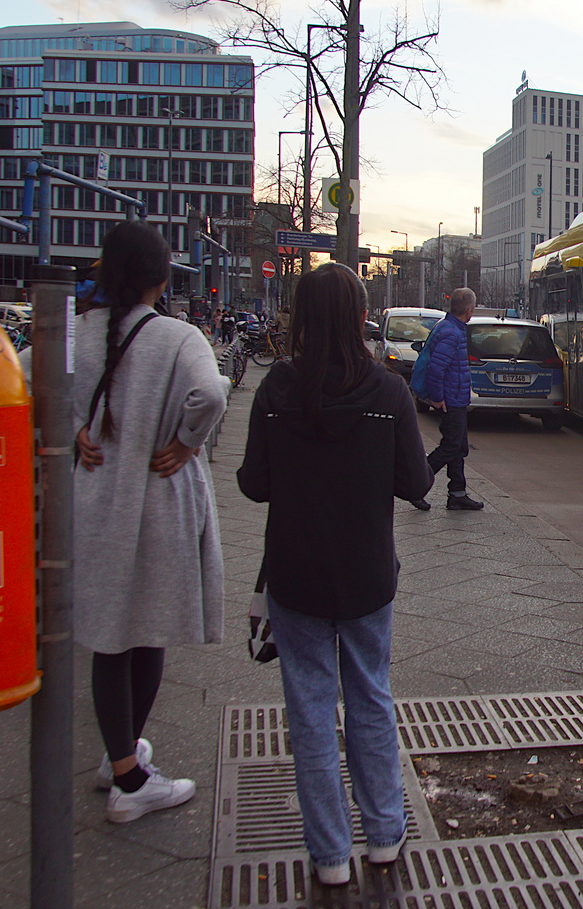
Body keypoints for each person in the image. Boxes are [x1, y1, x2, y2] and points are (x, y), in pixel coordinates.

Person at [236, 263, 432, 884]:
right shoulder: (388, 392)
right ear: (359, 318)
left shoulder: (276, 391)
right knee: (371, 698)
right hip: (367, 574)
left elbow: (253, 483)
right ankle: (383, 834)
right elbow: (415, 482)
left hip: (296, 575)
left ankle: (328, 857)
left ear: (301, 316)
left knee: (311, 709)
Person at [72, 221, 229, 823]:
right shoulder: (177, 336)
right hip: (160, 499)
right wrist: (187, 443)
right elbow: (210, 395)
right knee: (150, 628)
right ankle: (130, 780)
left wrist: (73, 434)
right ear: (163, 276)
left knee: (109, 634)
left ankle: (120, 758)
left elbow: (28, 377)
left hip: (98, 501)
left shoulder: (75, 335)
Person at [416, 287, 484, 511]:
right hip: (450, 399)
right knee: (451, 446)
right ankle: (416, 484)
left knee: (458, 446)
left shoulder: (449, 327)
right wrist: (437, 398)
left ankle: (457, 493)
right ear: (470, 309)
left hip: (454, 397)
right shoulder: (452, 332)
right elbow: (436, 369)